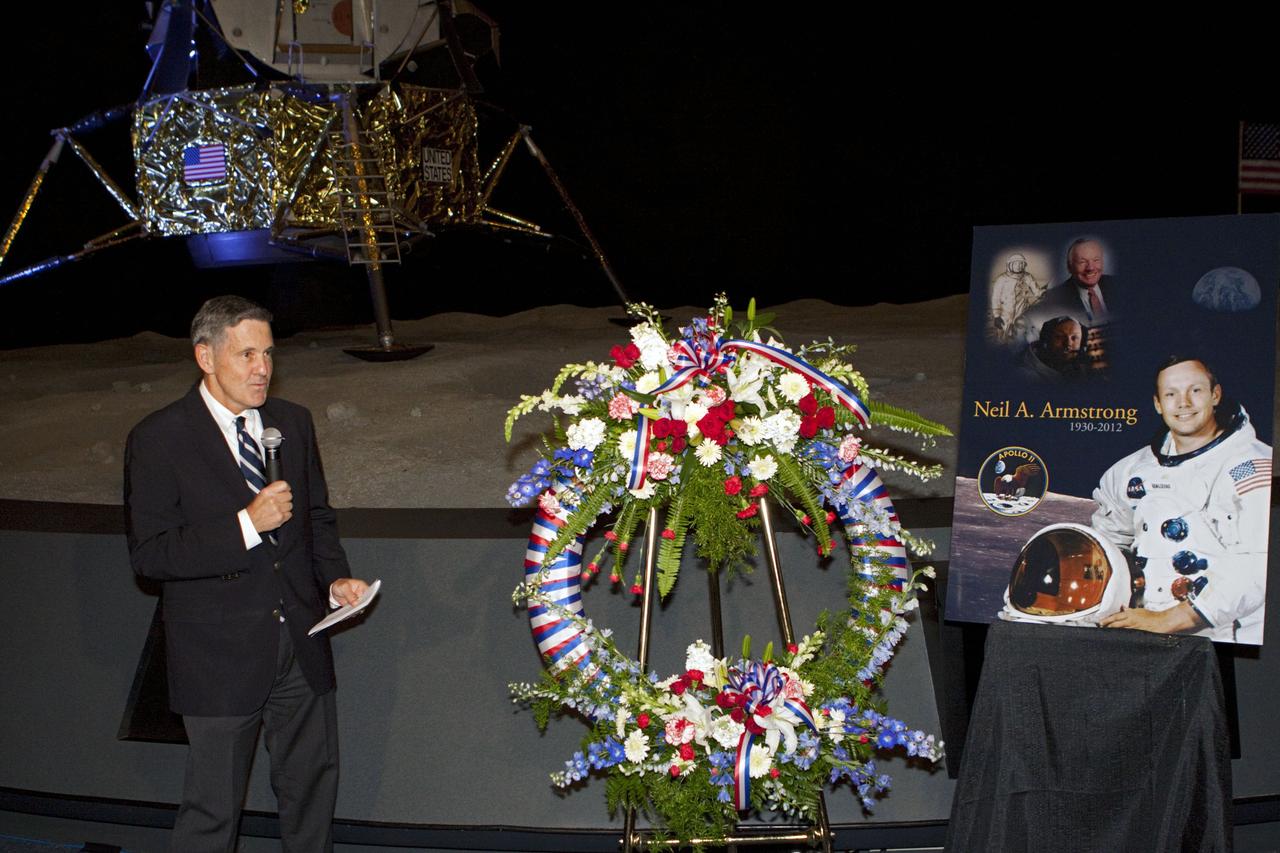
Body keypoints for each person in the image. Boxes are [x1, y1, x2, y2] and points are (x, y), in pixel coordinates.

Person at [124, 295, 369, 852]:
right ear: (205, 357)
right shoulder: (159, 438)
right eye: (247, 354)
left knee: (311, 795)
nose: (262, 368)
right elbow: (152, 555)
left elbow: (317, 519)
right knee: (212, 813)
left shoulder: (293, 424)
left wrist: (334, 582)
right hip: (218, 657)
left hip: (301, 647)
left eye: (268, 354)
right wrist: (245, 525)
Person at [1091, 357, 1271, 643]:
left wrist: (1173, 619)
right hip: (1146, 626)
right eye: (1171, 394)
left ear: (1215, 395)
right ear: (1158, 404)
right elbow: (1107, 542)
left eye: (1195, 390)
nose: (1183, 402)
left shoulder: (1252, 467)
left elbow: (1258, 565)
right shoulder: (1131, 471)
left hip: (1226, 638)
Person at [1027, 238, 1117, 328]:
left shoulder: (1118, 284)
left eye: (1096, 260)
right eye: (1082, 262)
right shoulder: (1053, 299)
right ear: (1069, 267)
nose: (1090, 268)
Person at [989, 252, 1045, 343]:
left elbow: (1036, 290)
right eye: (1016, 263)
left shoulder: (1027, 277)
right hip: (1005, 313)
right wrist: (996, 316)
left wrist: (1041, 294)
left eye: (1021, 263)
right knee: (1003, 335)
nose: (1018, 266)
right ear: (1010, 265)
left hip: (1022, 309)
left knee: (1020, 336)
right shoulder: (1002, 279)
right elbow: (996, 298)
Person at [1019, 315, 1087, 381]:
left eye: (1074, 338)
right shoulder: (1027, 376)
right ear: (1047, 340)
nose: (1068, 343)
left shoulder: (1080, 367)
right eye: (1059, 337)